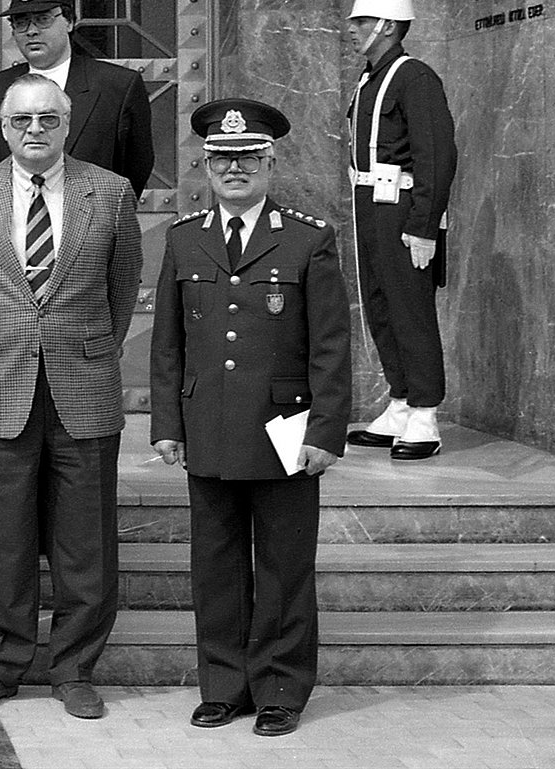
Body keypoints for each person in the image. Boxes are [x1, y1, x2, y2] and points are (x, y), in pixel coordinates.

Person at [0, 74, 142, 721]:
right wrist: (2, 345)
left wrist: (74, 343)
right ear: (3, 126)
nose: (34, 129)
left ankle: (74, 666)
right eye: (22, 118)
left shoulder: (109, 193)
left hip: (82, 384)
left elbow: (122, 290)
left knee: (85, 540)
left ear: (66, 123)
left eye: (47, 118)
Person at [150, 98, 352, 738]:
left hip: (284, 432)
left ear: (269, 162)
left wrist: (326, 433)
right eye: (221, 159)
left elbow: (330, 346)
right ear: (206, 166)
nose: (233, 168)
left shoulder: (307, 240)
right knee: (215, 566)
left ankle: (281, 689)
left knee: (285, 568)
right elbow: (167, 345)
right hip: (207, 427)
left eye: (246, 158)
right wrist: (165, 426)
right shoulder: (184, 240)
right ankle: (223, 686)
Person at [341, 0, 458, 461]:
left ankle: (426, 414)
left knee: (410, 311)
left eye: (361, 21)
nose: (352, 29)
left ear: (387, 25)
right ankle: (401, 401)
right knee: (380, 307)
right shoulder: (369, 79)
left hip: (403, 210)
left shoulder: (415, 78)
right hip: (369, 207)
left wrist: (424, 226)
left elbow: (436, 155)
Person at [0, 0, 155, 194]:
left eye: (43, 19)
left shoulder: (118, 86)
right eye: (21, 23)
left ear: (69, 21)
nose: (32, 31)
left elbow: (136, 168)